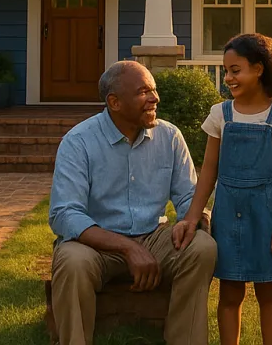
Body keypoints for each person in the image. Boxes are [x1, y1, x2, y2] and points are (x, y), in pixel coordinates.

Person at [48, 61, 217, 345]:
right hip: (95, 244)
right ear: (114, 102)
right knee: (71, 261)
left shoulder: (169, 136)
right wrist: (127, 248)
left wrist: (191, 219)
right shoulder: (78, 142)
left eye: (154, 90)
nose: (155, 98)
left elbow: (188, 196)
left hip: (154, 236)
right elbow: (64, 214)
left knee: (202, 247)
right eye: (143, 91)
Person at [174, 33, 272, 345]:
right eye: (227, 71)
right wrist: (192, 217)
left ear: (259, 69)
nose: (229, 77)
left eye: (236, 70)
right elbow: (209, 170)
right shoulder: (220, 114)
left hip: (266, 214)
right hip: (229, 213)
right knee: (230, 291)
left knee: (267, 290)